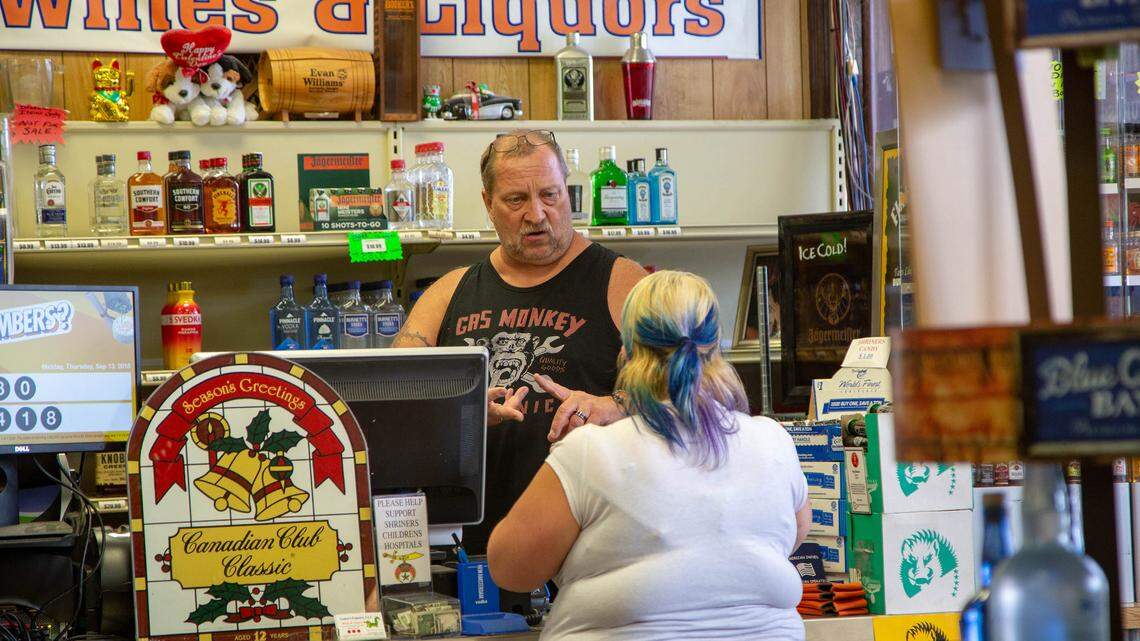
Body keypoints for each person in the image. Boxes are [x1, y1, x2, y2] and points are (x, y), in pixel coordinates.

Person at [487, 271, 812, 641]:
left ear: (626, 351)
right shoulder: (772, 440)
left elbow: (510, 569)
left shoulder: (592, 452)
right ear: (715, 348)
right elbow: (792, 534)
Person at [393, 129, 647, 552]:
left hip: (586, 547)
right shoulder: (449, 291)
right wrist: (460, 415)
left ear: (568, 193)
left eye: (550, 195)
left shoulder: (622, 283)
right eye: (516, 200)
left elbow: (683, 396)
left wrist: (610, 406)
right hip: (463, 549)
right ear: (488, 205)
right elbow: (394, 397)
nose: (537, 214)